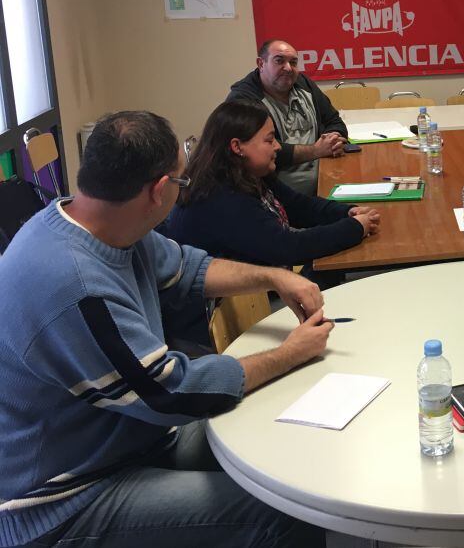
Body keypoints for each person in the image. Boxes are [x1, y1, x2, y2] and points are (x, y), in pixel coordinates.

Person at [0, 111, 330, 548]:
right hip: (68, 498)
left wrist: (275, 277)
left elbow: (188, 267)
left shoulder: (101, 222)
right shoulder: (76, 287)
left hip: (129, 438)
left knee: (279, 443)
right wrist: (291, 352)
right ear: (158, 191)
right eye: (179, 182)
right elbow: (173, 393)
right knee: (284, 512)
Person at [167, 100, 379, 269]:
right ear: (237, 147)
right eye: (269, 140)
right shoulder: (220, 198)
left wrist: (347, 212)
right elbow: (288, 247)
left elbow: (298, 206)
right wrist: (354, 228)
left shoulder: (250, 172)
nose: (277, 146)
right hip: (243, 305)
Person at [227, 39, 347, 195]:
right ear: (261, 64)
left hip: (327, 178)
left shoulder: (304, 84)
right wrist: (316, 151)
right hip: (277, 195)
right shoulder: (243, 100)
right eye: (279, 61)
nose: (288, 68)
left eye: (294, 62)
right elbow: (265, 152)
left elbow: (335, 121)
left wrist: (333, 140)